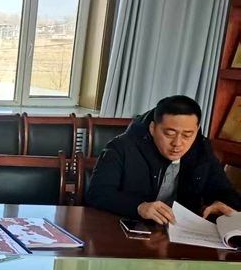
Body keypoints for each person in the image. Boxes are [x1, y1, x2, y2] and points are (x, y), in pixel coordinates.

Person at [86, 95, 241, 224]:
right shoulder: (122, 147)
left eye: (187, 135)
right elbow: (97, 193)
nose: (178, 143)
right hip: (129, 230)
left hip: (179, 234)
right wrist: (139, 207)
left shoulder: (202, 149)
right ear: (152, 128)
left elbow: (224, 190)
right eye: (169, 134)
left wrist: (223, 203)